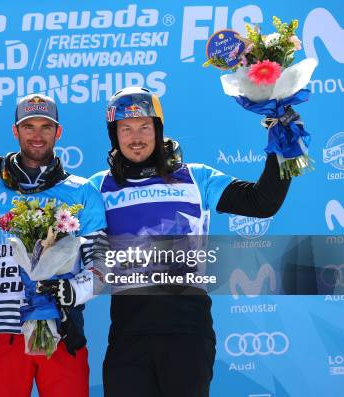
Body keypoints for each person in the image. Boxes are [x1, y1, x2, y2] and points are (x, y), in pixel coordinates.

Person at [90, 86, 293, 397]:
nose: (136, 137)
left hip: (187, 334)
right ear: (114, 134)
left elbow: (262, 202)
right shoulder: (97, 188)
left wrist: (283, 144)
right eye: (125, 128)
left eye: (145, 127)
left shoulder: (196, 178)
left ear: (158, 130)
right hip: (128, 337)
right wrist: (1, 176)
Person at [0, 93, 108, 397]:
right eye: (28, 126)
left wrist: (74, 292)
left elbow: (101, 263)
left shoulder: (82, 191)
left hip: (62, 329)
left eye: (45, 127)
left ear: (58, 132)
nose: (37, 135)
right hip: (2, 332)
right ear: (15, 131)